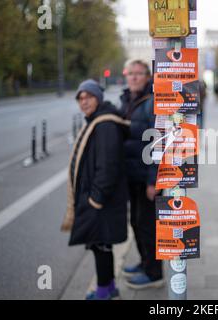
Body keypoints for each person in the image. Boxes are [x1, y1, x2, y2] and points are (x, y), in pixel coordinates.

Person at [60, 79, 130, 300]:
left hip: (102, 200)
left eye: (88, 97)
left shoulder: (105, 125)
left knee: (101, 245)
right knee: (101, 245)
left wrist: (96, 199)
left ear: (98, 98)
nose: (84, 102)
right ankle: (108, 288)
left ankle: (103, 293)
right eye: (80, 98)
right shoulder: (96, 121)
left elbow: (108, 166)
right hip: (99, 198)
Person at [118, 60, 163, 289]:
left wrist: (153, 180)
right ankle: (145, 262)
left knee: (147, 225)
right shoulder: (127, 100)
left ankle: (155, 273)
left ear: (148, 77)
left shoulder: (151, 102)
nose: (134, 78)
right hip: (132, 176)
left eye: (139, 74)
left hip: (147, 178)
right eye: (131, 73)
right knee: (136, 222)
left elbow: (157, 143)